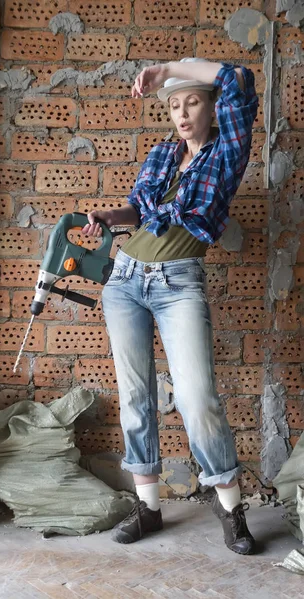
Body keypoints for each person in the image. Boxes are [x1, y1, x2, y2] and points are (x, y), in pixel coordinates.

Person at [82, 58, 259, 555]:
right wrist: (105, 214)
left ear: (211, 106)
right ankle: (149, 508)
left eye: (192, 101)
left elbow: (240, 78)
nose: (182, 113)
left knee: (197, 398)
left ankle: (230, 511)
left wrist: (165, 70)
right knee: (136, 398)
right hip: (125, 280)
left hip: (178, 283)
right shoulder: (163, 153)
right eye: (175, 105)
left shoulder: (228, 150)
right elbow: (137, 209)